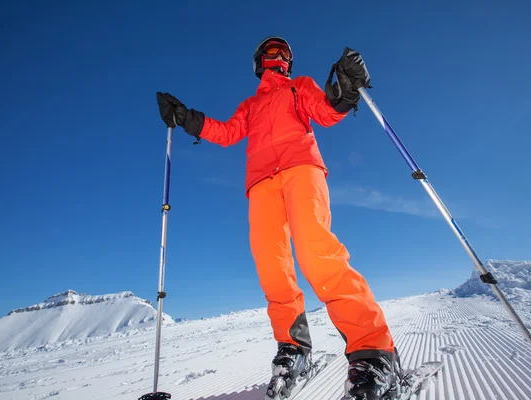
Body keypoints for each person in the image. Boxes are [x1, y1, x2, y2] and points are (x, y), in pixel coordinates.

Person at [157, 36, 401, 400]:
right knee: (272, 267)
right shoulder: (250, 105)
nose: (276, 57)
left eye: (282, 53)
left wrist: (345, 93)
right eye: (269, 52)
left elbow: (325, 112)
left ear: (288, 62)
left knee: (316, 253)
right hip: (260, 184)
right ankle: (294, 347)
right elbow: (227, 133)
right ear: (259, 62)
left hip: (302, 169)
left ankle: (372, 350)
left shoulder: (298, 87)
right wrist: (186, 119)